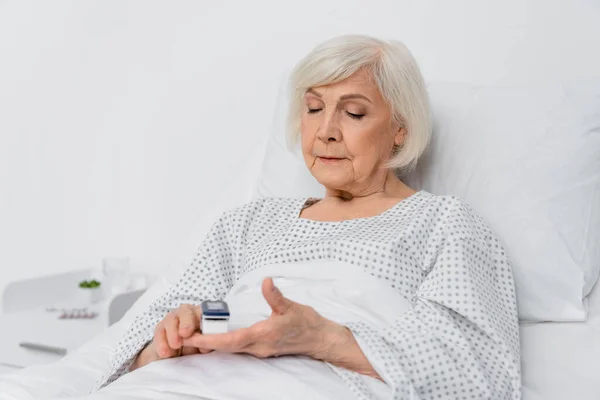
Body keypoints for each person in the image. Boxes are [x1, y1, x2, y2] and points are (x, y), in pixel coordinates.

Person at [93, 35, 521, 400]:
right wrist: (166, 343)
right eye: (314, 108)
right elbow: (154, 329)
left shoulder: (442, 223)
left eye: (354, 113)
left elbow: (478, 370)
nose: (326, 130)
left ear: (400, 130)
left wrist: (321, 338)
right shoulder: (250, 222)